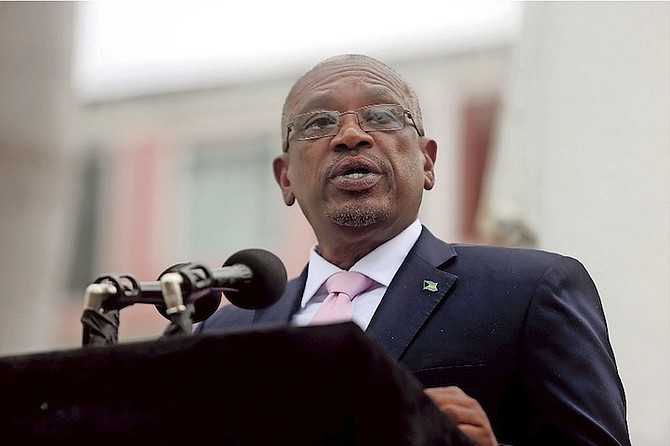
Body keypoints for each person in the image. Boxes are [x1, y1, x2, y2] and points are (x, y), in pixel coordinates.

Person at [197, 54, 630, 445]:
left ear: (426, 161)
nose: (350, 135)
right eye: (318, 123)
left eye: (382, 116)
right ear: (285, 177)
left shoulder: (530, 291)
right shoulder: (222, 334)